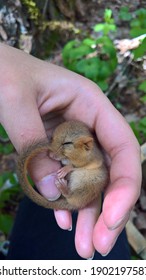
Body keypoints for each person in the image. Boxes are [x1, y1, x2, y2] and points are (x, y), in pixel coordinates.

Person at [0, 43, 141, 260]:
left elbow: (85, 166)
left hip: (76, 191)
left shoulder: (88, 153)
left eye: (64, 146)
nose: (55, 150)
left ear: (86, 145)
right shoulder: (76, 153)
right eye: (55, 140)